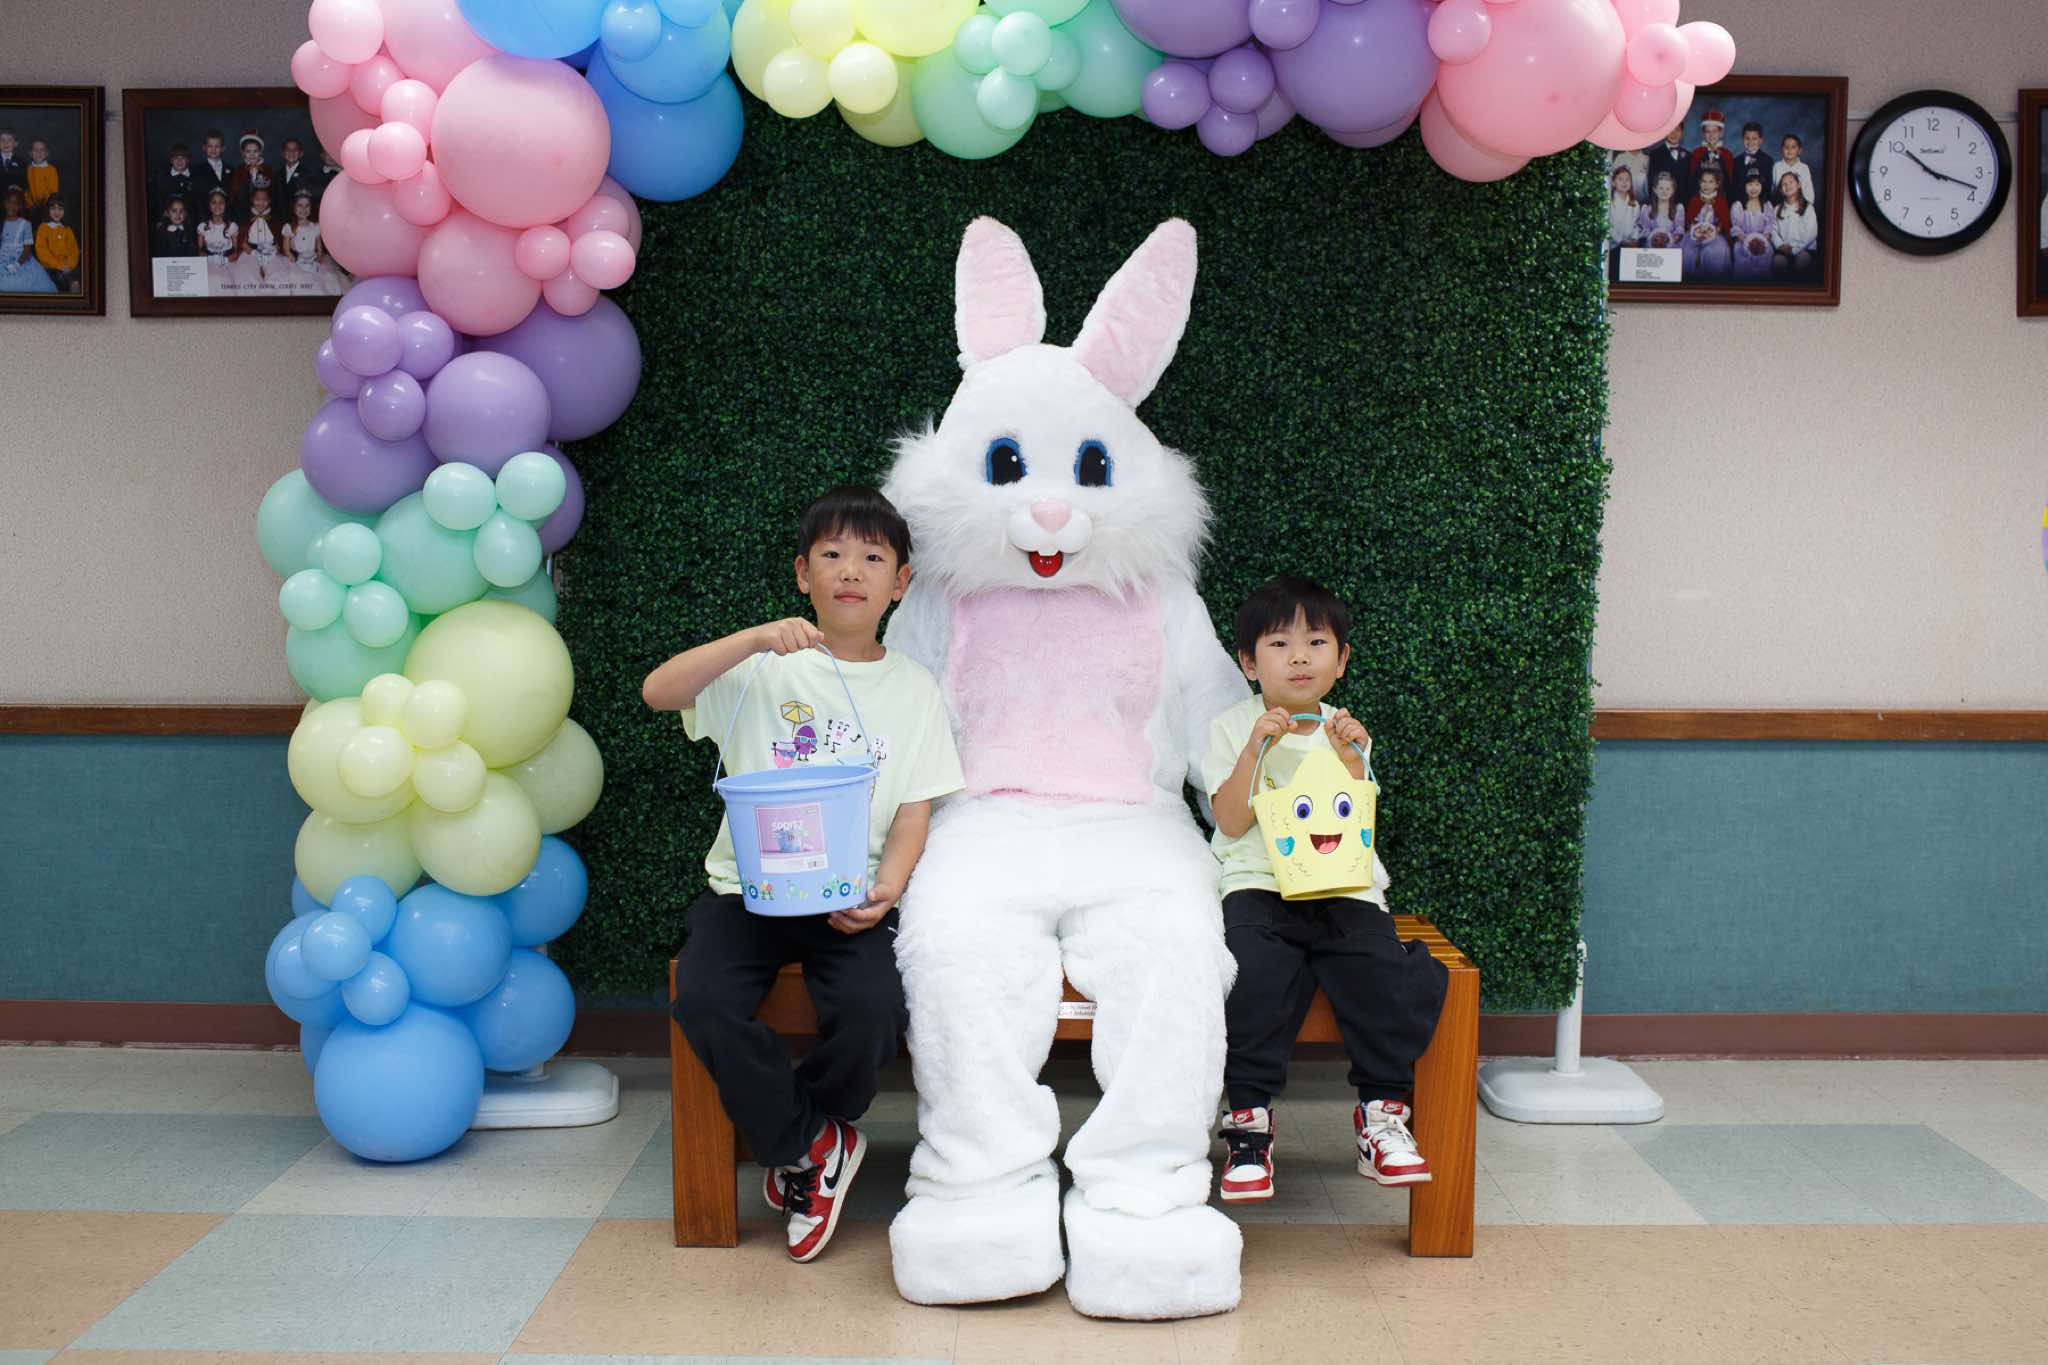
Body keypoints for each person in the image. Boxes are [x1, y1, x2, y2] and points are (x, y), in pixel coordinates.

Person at [644, 485, 963, 1265]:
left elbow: (914, 810)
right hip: (746, 894)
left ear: (900, 582)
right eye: (832, 554)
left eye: (872, 557)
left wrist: (888, 888)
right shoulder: (762, 669)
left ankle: (803, 1140)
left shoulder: (914, 689)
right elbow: (659, 691)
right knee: (704, 998)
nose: (850, 570)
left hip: (848, 897)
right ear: (802, 573)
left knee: (873, 1010)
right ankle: (813, 1144)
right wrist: (754, 638)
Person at [1204, 577, 1447, 1202]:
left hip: (1344, 888)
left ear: (1341, 660)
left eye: (1316, 642)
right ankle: (1249, 1123)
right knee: (1249, 975)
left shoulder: (1346, 730)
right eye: (1279, 643)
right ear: (1249, 664)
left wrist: (1350, 757)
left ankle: (1381, 1116)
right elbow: (1229, 821)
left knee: (1381, 970)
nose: (1299, 657)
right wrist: (1256, 748)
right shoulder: (1231, 728)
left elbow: (1356, 819)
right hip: (1258, 886)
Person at [0, 188, 55, 293]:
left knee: (21, 283)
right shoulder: (2, 223)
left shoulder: (25, 224)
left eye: (16, 203)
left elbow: (27, 249)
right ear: (4, 203)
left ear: (20, 206)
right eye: (9, 202)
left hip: (21, 259)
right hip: (3, 258)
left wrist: (17, 264)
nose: (12, 206)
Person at [1684, 166, 1733, 279]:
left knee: (1716, 251)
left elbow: (1723, 222)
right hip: (1694, 233)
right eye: (1704, 181)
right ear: (1699, 183)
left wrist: (1713, 231)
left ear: (1717, 184)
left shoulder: (1721, 201)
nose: (1707, 185)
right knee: (1688, 252)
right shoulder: (1695, 200)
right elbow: (1689, 220)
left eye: (1711, 182)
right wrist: (1695, 231)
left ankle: (1711, 280)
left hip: (1714, 235)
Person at [229, 186, 281, 290]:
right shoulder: (246, 218)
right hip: (251, 253)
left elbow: (278, 242)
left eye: (264, 199)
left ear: (269, 200)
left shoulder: (274, 219)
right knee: (247, 275)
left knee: (278, 275)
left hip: (271, 254)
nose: (261, 202)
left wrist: (273, 251)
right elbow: (243, 243)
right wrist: (254, 253)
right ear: (252, 199)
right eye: (257, 199)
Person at [1730, 169, 1774, 281]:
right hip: (1743, 241)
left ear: (1762, 186)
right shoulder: (1739, 205)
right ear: (1744, 186)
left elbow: (1770, 225)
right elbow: (1736, 227)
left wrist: (1764, 239)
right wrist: (1746, 241)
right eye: (1750, 184)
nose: (1753, 188)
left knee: (1767, 252)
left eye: (1757, 184)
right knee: (1740, 252)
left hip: (1762, 240)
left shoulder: (1766, 205)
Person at [1773, 170, 1820, 273]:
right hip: (1785, 249)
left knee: (1801, 260)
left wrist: (1794, 250)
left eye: (1791, 182)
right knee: (1777, 262)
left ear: (1799, 185)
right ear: (1781, 190)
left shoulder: (1808, 207)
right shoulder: (1777, 209)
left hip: (1805, 248)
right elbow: (1773, 230)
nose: (1788, 186)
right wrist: (1780, 245)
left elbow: (1811, 234)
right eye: (1784, 184)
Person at [34, 194, 79, 291]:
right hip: (50, 266)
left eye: (60, 209)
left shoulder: (67, 229)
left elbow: (73, 249)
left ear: (65, 210)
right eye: (53, 208)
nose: (57, 212)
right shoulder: (44, 228)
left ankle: (74, 287)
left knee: (75, 280)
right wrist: (59, 265)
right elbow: (42, 251)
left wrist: (69, 264)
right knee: (60, 279)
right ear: (48, 210)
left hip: (67, 266)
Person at [1689, 110, 1736, 202]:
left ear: (1721, 133)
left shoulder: (1727, 155)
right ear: (1703, 133)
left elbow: (1730, 183)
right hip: (1699, 200)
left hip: (1721, 201)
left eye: (1715, 131)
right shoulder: (1696, 153)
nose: (1711, 135)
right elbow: (1691, 181)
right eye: (1708, 132)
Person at [226, 131, 274, 220]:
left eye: (255, 151)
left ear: (260, 152)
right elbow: (233, 197)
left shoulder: (268, 171)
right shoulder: (238, 171)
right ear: (243, 153)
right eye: (248, 151)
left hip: (265, 216)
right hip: (241, 216)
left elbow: (273, 196)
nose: (252, 155)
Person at [1638, 169, 1686, 250]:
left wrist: (1669, 241)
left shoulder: (1678, 209)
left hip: (1672, 246)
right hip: (1652, 246)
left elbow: (1679, 230)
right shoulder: (1646, 209)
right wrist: (1655, 241)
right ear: (1655, 189)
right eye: (1661, 188)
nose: (1664, 191)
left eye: (1668, 189)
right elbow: (1645, 230)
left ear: (1673, 191)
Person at [197, 188, 238, 283]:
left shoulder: (232, 226)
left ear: (226, 205)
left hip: (227, 263)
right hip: (209, 263)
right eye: (213, 202)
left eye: (221, 202)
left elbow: (235, 252)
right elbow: (200, 251)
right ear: (209, 205)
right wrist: (208, 259)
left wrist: (225, 260)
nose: (217, 205)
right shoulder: (203, 226)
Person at [1646, 123, 1693, 205]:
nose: (1673, 134)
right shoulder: (1655, 154)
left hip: (1683, 204)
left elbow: (1689, 184)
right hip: (1662, 203)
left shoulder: (1688, 156)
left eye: (1677, 130)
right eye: (1670, 130)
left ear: (1682, 132)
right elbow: (1651, 182)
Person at [1732, 121, 1775, 201]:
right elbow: (1733, 188)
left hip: (1759, 204)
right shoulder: (1736, 161)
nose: (1750, 142)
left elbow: (1768, 188)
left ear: (1760, 141)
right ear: (1742, 139)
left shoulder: (1767, 161)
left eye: (1754, 139)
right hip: (1739, 204)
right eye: (1747, 138)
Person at [1607, 163, 1643, 256]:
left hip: (1629, 246)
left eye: (1627, 180)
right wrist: (1621, 242)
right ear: (1613, 183)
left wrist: (1634, 239)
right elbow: (1608, 226)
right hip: (1612, 247)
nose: (1624, 182)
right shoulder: (1609, 202)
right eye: (1620, 179)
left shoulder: (1635, 204)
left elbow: (1636, 225)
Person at [1774, 132, 1816, 210]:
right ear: (1781, 150)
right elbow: (1774, 189)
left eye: (1793, 147)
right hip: (1782, 207)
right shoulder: (1777, 166)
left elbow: (1808, 191)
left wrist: (1805, 207)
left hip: (1800, 207)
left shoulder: (1804, 168)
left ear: (1799, 150)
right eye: (1786, 147)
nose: (1789, 150)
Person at [192, 130, 231, 208]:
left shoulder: (231, 170)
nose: (213, 149)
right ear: (204, 148)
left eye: (217, 146)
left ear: (223, 148)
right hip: (205, 210)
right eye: (210, 146)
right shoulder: (197, 170)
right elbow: (196, 196)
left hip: (227, 211)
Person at [277, 136, 323, 202]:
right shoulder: (277, 174)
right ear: (283, 153)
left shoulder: (308, 174)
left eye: (295, 149)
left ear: (301, 153)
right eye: (288, 149)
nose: (291, 152)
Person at [158, 142, 197, 216]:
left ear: (188, 160)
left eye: (183, 158)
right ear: (171, 160)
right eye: (176, 158)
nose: (179, 161)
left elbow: (198, 202)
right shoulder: (163, 178)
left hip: (191, 217)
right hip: (169, 218)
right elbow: (159, 201)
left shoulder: (196, 177)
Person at [24, 139, 57, 213]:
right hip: (30, 208)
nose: (38, 152)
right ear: (30, 153)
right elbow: (26, 191)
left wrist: (44, 204)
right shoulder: (28, 169)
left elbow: (53, 190)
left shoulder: (51, 170)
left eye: (42, 150)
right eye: (35, 150)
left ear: (47, 153)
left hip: (47, 207)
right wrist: (30, 205)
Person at [0, 129, 25, 201]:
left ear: (16, 143)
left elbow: (25, 182)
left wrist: (19, 188)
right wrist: (6, 187)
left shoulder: (21, 163)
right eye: (2, 140)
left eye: (9, 140)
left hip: (14, 201)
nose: (6, 143)